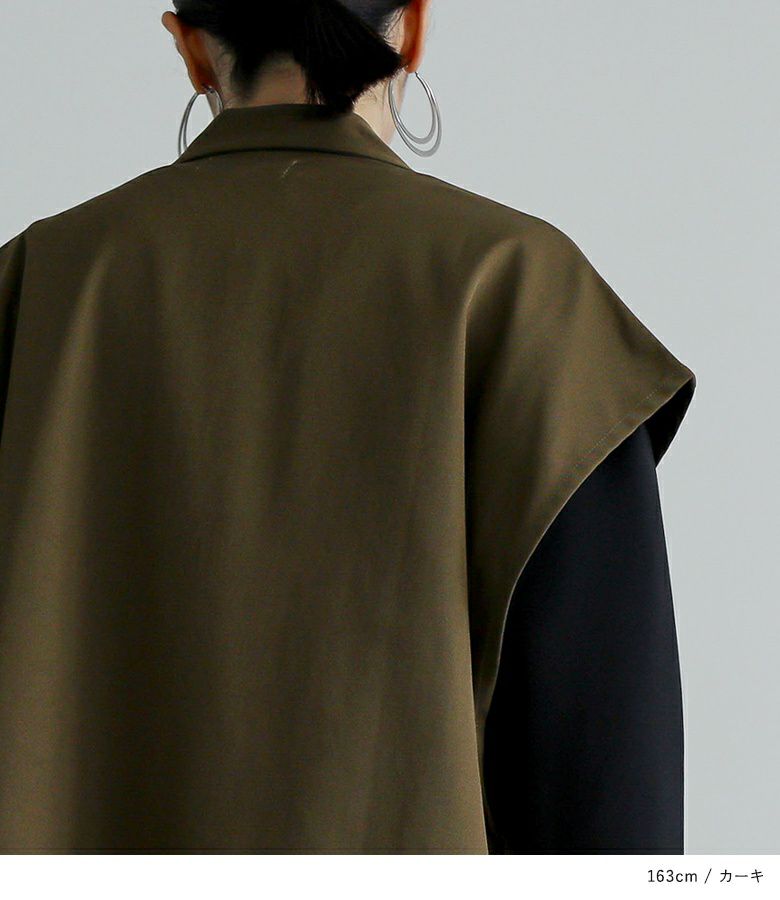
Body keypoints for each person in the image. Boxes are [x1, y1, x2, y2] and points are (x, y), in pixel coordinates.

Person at [0, 0, 696, 853]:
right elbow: (606, 790)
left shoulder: (32, 286)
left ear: (191, 50)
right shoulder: (522, 292)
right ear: (412, 29)